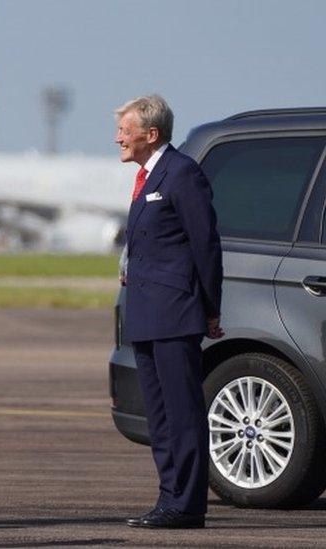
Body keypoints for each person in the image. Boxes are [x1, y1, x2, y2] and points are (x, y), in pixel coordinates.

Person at [115, 94, 223, 529]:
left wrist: (211, 308)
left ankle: (188, 504)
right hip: (144, 313)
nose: (118, 137)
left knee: (182, 414)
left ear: (151, 134)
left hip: (175, 313)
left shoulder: (182, 173)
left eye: (125, 130)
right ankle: (168, 499)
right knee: (158, 417)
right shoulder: (145, 176)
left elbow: (206, 245)